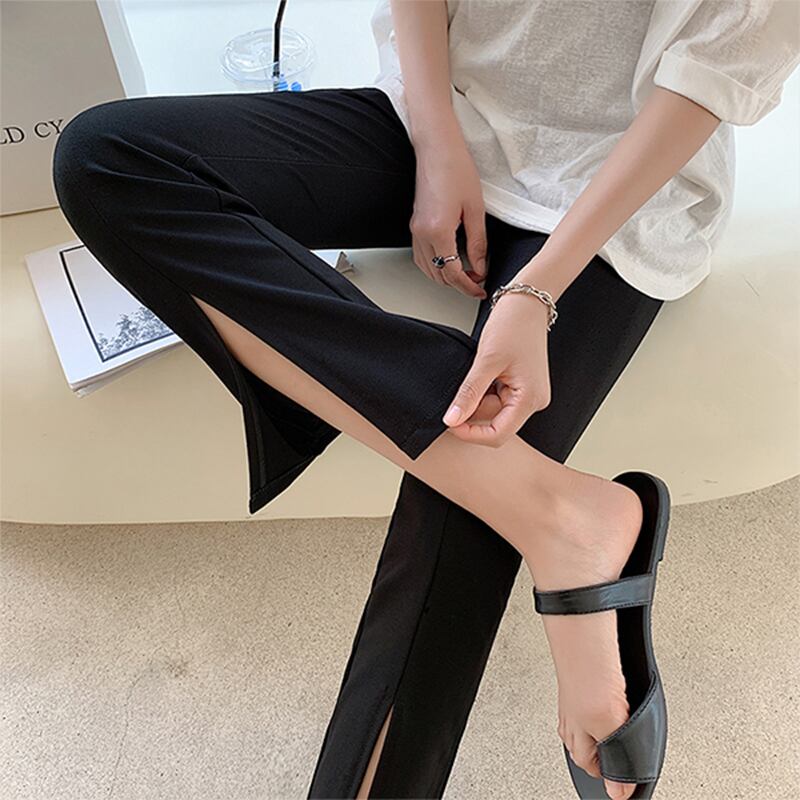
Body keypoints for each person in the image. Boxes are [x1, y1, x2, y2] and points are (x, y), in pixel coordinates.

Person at [51, 0, 799, 798]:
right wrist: (438, 144)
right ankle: (558, 514)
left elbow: (716, 68)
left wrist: (535, 291)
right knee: (107, 155)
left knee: (456, 501)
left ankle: (546, 519)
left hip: (621, 187)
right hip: (446, 117)